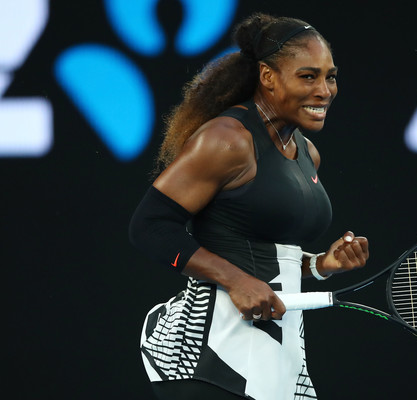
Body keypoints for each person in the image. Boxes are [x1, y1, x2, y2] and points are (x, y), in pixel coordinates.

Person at [129, 12, 369, 400]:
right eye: (308, 76)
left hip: (277, 356)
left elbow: (267, 253)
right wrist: (234, 279)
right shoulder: (228, 140)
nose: (324, 90)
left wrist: (321, 265)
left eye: (331, 76)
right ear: (268, 77)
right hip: (208, 354)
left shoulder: (307, 153)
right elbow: (151, 227)